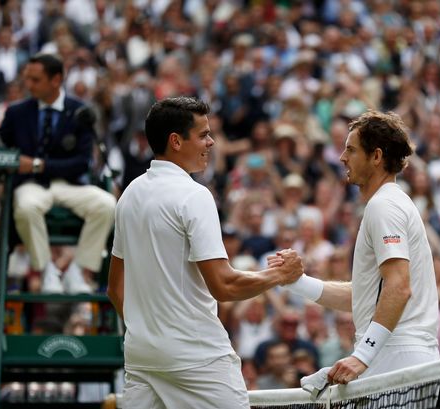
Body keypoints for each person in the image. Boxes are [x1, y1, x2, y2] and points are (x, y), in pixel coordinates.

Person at [106, 96, 303, 409]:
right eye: (203, 135)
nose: (212, 142)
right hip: (196, 356)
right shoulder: (194, 196)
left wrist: (148, 331)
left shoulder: (129, 194)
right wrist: (280, 274)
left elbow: (115, 289)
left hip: (142, 354)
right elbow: (224, 286)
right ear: (176, 141)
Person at [272, 110, 439, 385]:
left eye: (351, 149)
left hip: (397, 357)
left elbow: (398, 286)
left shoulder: (383, 206)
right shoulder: (388, 203)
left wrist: (362, 355)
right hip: (397, 357)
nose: (342, 158)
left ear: (376, 156)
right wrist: (297, 282)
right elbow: (365, 296)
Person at [0, 53, 116, 294]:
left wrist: (37, 164)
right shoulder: (16, 113)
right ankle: (46, 271)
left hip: (70, 185)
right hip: (31, 186)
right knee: (26, 206)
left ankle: (78, 271)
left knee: (106, 204)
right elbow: (0, 151)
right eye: (27, 79)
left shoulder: (80, 112)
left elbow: (83, 163)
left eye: (35, 79)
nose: (28, 85)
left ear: (56, 80)